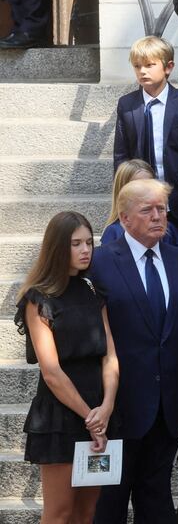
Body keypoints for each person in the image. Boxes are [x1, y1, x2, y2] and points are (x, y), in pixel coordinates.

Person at [92, 179, 178, 524]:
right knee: (109, 504)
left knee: (157, 503)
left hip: (169, 409)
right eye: (148, 210)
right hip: (118, 409)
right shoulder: (99, 262)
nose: (159, 217)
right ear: (125, 219)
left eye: (162, 209)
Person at [14, 211, 119, 524]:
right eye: (76, 243)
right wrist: (91, 417)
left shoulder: (91, 291)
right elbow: (51, 372)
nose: (86, 250)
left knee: (87, 513)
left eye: (89, 242)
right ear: (59, 247)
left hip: (100, 413)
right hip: (60, 417)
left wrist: (107, 408)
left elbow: (110, 357)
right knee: (59, 514)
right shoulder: (38, 299)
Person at [114, 36, 178, 252]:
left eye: (149, 65)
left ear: (168, 67)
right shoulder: (128, 105)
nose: (142, 71)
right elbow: (121, 158)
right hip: (139, 204)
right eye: (137, 66)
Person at [101, 159, 178, 248]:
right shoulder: (114, 233)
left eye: (150, 184)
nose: (146, 190)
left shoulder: (169, 230)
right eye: (138, 186)